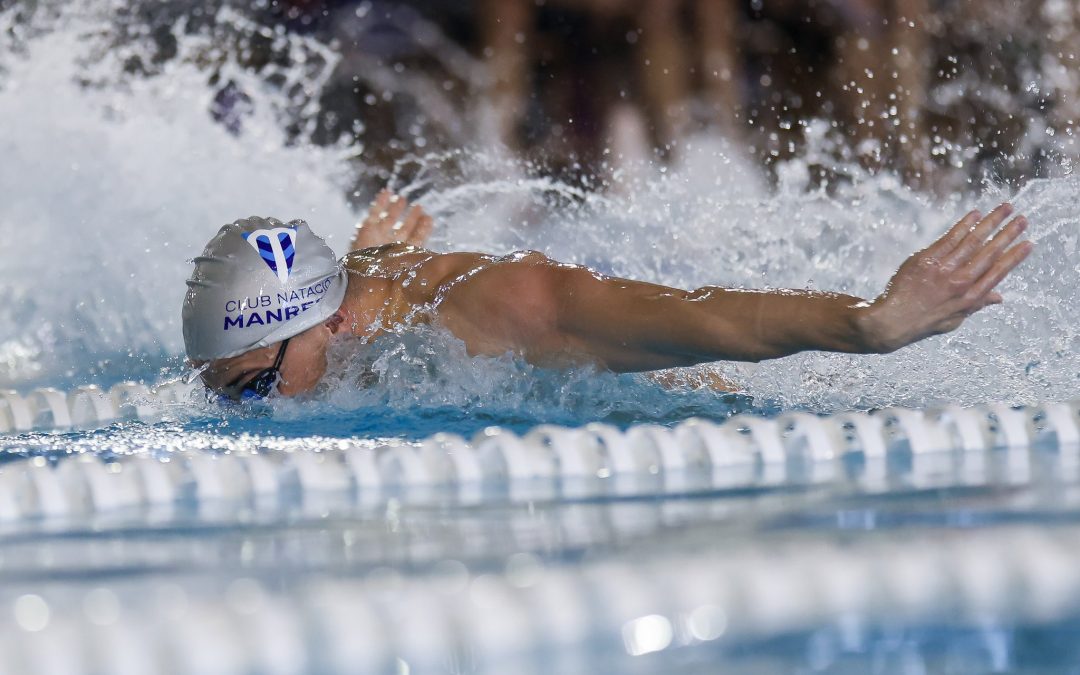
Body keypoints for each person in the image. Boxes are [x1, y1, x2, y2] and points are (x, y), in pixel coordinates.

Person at [184, 190, 1032, 400]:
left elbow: (696, 314)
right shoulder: (347, 310)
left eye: (257, 385)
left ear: (331, 319)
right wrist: (373, 259)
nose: (250, 411)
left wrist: (868, 323)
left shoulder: (504, 310)